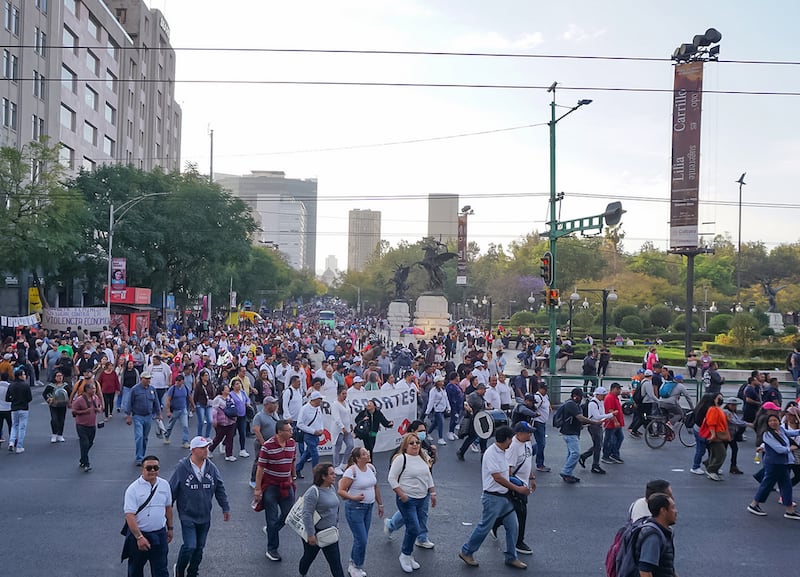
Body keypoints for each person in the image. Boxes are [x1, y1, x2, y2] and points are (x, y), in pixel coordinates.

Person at [459, 425, 528, 570]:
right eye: (511, 439)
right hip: (493, 498)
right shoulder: (491, 453)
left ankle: (511, 557)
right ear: (507, 439)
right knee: (484, 527)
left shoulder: (503, 451)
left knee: (513, 527)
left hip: (503, 497)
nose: (512, 442)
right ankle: (467, 551)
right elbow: (497, 477)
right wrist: (517, 488)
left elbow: (505, 475)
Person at [169, 436, 231, 577]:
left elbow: (219, 488)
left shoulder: (211, 468)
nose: (206, 451)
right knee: (190, 545)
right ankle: (179, 570)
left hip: (204, 515)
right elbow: (171, 490)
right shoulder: (181, 468)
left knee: (199, 548)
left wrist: (225, 507)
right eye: (203, 448)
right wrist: (166, 512)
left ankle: (192, 572)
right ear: (193, 450)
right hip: (187, 515)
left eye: (207, 448)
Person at [383, 420, 437, 548]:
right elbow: (393, 475)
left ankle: (421, 538)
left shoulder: (425, 445)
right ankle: (406, 552)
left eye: (424, 431)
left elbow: (429, 466)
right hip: (407, 491)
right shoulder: (401, 454)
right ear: (412, 432)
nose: (422, 434)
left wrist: (432, 490)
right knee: (411, 519)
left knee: (421, 514)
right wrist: (400, 492)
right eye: (420, 431)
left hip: (423, 488)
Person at [388, 433, 436, 573]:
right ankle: (405, 554)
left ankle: (408, 555)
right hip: (407, 500)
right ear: (405, 445)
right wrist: (402, 495)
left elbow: (428, 476)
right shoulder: (401, 459)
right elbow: (391, 478)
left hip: (422, 498)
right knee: (413, 528)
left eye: (417, 442)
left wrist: (432, 493)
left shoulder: (423, 457)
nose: (415, 445)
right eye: (411, 443)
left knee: (418, 527)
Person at [254, 419, 297, 562]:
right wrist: (258, 488)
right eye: (288, 430)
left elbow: (292, 461)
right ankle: (272, 549)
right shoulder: (267, 447)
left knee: (288, 515)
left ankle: (272, 530)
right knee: (271, 519)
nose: (291, 432)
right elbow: (260, 468)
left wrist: (294, 476)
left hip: (286, 484)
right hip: (271, 487)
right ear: (279, 432)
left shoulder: (292, 444)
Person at [123, 456, 174, 577]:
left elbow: (168, 508)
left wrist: (170, 528)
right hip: (140, 535)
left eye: (155, 467)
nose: (152, 470)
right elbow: (129, 516)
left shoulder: (165, 485)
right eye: (149, 468)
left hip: (159, 534)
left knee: (161, 570)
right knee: (135, 570)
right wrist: (139, 537)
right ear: (142, 469)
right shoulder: (133, 489)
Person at [491, 422, 536, 556]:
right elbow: (508, 471)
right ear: (519, 434)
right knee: (521, 513)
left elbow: (528, 461)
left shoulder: (527, 443)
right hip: (518, 485)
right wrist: (516, 488)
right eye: (528, 432)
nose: (530, 435)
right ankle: (518, 542)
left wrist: (532, 478)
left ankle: (495, 523)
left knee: (511, 511)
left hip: (524, 483)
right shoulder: (513, 447)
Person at [337, 447, 384, 577]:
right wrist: (354, 498)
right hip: (355, 508)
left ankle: (353, 563)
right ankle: (356, 566)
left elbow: (375, 487)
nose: (367, 454)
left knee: (361, 539)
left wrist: (380, 504)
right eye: (364, 454)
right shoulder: (351, 472)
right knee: (361, 539)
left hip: (368, 508)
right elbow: (341, 491)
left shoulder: (371, 468)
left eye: (367, 452)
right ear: (357, 458)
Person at [747, 414, 800, 519]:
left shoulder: (780, 429)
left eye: (775, 420)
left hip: (783, 463)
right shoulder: (767, 435)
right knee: (767, 484)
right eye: (770, 421)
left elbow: (791, 433)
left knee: (786, 486)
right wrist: (790, 448)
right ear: (767, 423)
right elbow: (779, 449)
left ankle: (789, 510)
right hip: (773, 464)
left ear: (779, 420)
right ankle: (753, 505)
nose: (773, 422)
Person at [299, 463, 345, 577]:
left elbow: (334, 508)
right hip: (316, 532)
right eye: (331, 474)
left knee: (336, 563)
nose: (335, 476)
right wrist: (311, 534)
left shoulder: (331, 488)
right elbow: (307, 514)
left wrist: (336, 524)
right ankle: (302, 573)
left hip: (329, 532)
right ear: (323, 477)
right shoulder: (313, 492)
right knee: (308, 558)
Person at [558, 387, 603, 483]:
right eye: (580, 397)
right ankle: (566, 472)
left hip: (570, 431)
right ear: (575, 396)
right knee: (575, 454)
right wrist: (594, 422)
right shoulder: (572, 405)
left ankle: (568, 473)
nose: (581, 399)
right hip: (570, 432)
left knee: (571, 453)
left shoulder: (571, 403)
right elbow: (580, 418)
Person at [124, 372, 163, 466]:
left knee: (145, 438)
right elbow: (129, 402)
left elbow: (156, 402)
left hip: (149, 416)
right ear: (141, 379)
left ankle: (142, 455)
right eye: (146, 379)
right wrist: (128, 416)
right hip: (138, 416)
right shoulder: (135, 389)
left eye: (149, 379)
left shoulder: (152, 389)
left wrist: (159, 413)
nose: (148, 380)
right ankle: (139, 458)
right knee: (139, 436)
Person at [635, 494, 678, 577]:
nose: (676, 511)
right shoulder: (653, 537)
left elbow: (668, 568)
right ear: (663, 511)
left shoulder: (662, 531)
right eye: (672, 507)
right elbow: (645, 572)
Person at [579, 387, 616, 474]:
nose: (604, 397)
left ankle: (586, 458)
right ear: (598, 395)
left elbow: (601, 415)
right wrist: (610, 415)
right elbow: (597, 416)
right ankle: (595, 465)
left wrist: (606, 417)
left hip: (597, 425)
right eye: (603, 395)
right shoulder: (593, 404)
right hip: (594, 426)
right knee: (598, 445)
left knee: (598, 445)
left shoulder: (600, 402)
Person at [71, 380, 102, 471]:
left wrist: (98, 409)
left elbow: (99, 405)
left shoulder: (95, 398)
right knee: (84, 443)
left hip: (92, 424)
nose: (94, 391)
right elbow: (73, 412)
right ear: (87, 390)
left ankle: (82, 459)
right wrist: (85, 411)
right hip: (81, 425)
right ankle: (86, 463)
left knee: (90, 443)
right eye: (92, 389)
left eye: (95, 389)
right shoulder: (79, 400)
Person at [250, 396, 280, 489]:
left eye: (275, 403)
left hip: (274, 443)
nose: (275, 405)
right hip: (263, 443)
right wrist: (264, 443)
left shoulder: (274, 414)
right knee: (259, 461)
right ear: (266, 405)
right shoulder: (259, 416)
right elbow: (256, 430)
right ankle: (253, 480)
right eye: (273, 403)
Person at [698, 392, 729, 481]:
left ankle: (710, 465)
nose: (721, 399)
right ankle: (711, 469)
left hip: (718, 434)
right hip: (716, 436)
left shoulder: (717, 409)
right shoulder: (713, 409)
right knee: (721, 454)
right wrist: (713, 434)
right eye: (719, 398)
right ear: (714, 400)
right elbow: (711, 423)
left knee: (715, 453)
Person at [456, 382, 490, 461]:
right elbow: (466, 404)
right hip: (473, 419)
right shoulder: (473, 396)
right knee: (472, 437)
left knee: (483, 436)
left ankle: (483, 454)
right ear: (480, 389)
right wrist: (470, 411)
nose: (485, 392)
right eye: (484, 390)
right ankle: (461, 451)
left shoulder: (480, 397)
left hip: (480, 419)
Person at [296, 390, 326, 478]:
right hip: (308, 435)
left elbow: (320, 420)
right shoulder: (304, 409)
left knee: (307, 454)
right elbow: (300, 424)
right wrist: (313, 431)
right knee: (315, 454)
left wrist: (321, 429)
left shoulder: (318, 408)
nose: (321, 401)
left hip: (316, 435)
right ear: (315, 400)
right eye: (319, 399)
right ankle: (316, 475)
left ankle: (297, 469)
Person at [690, 393, 719, 476]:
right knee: (702, 449)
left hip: (697, 429)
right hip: (703, 431)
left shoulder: (700, 407)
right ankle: (696, 467)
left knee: (701, 449)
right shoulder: (708, 409)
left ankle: (701, 466)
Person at [5, 366, 32, 454]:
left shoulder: (11, 385)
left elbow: (7, 398)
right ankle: (19, 446)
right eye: (23, 374)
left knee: (14, 426)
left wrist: (13, 399)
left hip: (14, 408)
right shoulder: (26, 386)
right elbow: (29, 398)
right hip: (24, 408)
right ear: (20, 376)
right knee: (22, 427)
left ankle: (11, 442)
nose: (24, 376)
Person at [164, 374, 195, 449]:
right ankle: (166, 436)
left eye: (179, 381)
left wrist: (193, 406)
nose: (177, 383)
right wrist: (168, 411)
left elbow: (189, 397)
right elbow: (168, 399)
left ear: (182, 381)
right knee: (170, 425)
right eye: (176, 381)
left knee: (185, 426)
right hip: (175, 410)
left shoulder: (185, 388)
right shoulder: (172, 389)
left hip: (183, 409)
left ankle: (185, 441)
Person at [208, 384, 238, 461]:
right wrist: (214, 421)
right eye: (226, 388)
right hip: (221, 422)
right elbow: (214, 411)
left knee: (230, 438)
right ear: (222, 391)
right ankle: (210, 449)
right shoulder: (217, 399)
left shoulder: (229, 398)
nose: (228, 389)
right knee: (218, 438)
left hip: (231, 421)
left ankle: (229, 455)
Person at [42, 370, 72, 443]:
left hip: (63, 405)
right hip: (54, 405)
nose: (60, 377)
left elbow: (71, 394)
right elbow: (44, 394)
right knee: (54, 419)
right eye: (58, 376)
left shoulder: (66, 385)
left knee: (61, 419)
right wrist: (49, 399)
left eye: (61, 376)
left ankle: (60, 435)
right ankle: (54, 434)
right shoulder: (51, 386)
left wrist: (69, 402)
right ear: (54, 377)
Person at [602, 382, 626, 465]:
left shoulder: (615, 397)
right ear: (613, 389)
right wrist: (615, 421)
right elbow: (610, 410)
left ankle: (614, 454)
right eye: (618, 389)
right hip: (611, 423)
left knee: (619, 438)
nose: (619, 390)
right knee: (609, 440)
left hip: (616, 423)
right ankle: (606, 455)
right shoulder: (609, 398)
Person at [332, 387, 354, 475]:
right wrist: (342, 427)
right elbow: (336, 418)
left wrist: (350, 424)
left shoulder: (346, 402)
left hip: (347, 428)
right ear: (338, 394)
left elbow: (348, 415)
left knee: (350, 445)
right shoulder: (335, 404)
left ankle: (344, 463)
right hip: (338, 430)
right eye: (343, 394)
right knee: (338, 447)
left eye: (345, 394)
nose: (345, 396)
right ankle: (336, 466)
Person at [722, 397, 747, 475]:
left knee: (732, 450)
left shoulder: (732, 412)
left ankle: (733, 466)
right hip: (726, 435)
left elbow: (738, 421)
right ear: (728, 405)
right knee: (723, 451)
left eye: (735, 405)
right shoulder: (727, 412)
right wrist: (747, 424)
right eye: (732, 405)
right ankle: (714, 465)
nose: (734, 407)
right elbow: (734, 421)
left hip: (731, 435)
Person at [425, 375, 451, 445]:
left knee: (435, 423)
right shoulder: (433, 391)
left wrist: (448, 407)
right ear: (438, 382)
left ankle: (428, 433)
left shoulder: (443, 389)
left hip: (442, 409)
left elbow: (446, 399)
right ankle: (440, 438)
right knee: (441, 423)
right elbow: (431, 401)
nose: (443, 382)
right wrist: (428, 411)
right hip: (437, 410)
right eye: (441, 381)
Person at [229, 378, 252, 457]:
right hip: (234, 417)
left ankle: (242, 449)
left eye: (239, 384)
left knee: (242, 432)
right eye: (237, 384)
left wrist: (248, 403)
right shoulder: (231, 394)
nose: (239, 385)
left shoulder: (242, 392)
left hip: (243, 415)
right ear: (232, 386)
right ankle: (225, 443)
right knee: (232, 433)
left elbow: (247, 399)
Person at [532, 381, 552, 472]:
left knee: (540, 443)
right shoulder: (537, 397)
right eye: (544, 389)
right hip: (538, 422)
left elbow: (547, 403)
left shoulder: (545, 396)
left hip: (543, 422)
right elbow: (532, 408)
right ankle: (539, 464)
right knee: (541, 444)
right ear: (540, 389)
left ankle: (527, 453)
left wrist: (549, 408)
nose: (546, 391)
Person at [193, 370, 215, 438]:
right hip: (200, 404)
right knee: (201, 421)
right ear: (202, 377)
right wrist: (194, 404)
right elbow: (195, 395)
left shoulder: (210, 384)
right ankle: (199, 436)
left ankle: (207, 436)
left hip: (209, 404)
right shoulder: (199, 385)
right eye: (205, 375)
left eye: (207, 375)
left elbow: (213, 393)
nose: (207, 377)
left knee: (210, 421)